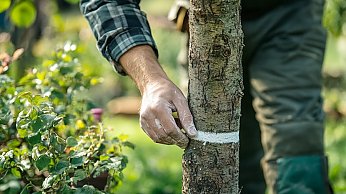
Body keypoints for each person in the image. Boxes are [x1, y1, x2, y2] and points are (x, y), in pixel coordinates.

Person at [80, 0, 334, 193]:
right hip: (205, 22)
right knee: (222, 147)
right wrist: (152, 82)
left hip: (287, 13)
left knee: (296, 137)